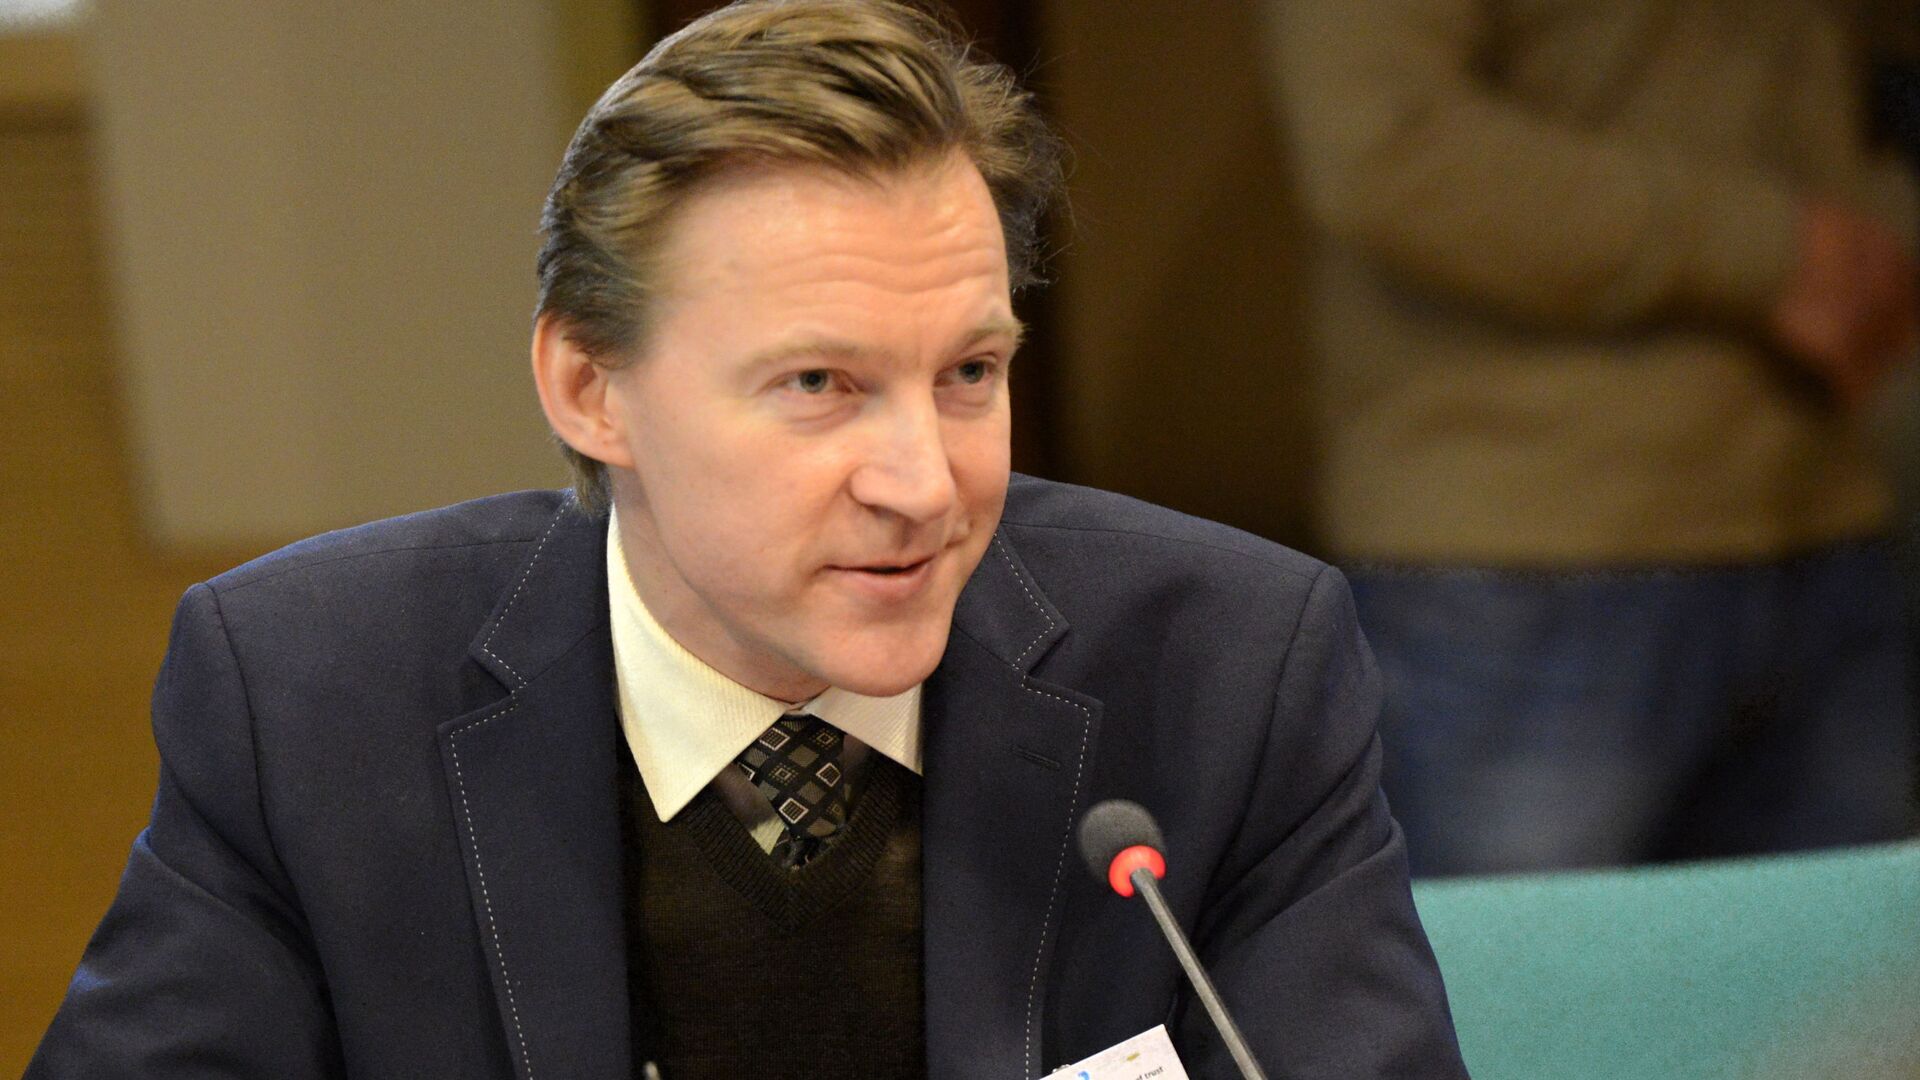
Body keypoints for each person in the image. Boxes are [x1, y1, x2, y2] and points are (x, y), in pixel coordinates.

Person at [29, 2, 1466, 1076]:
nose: (924, 484)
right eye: (819, 384)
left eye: (968, 373)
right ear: (589, 388)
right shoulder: (311, 697)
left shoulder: (1227, 670)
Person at [1270, 0, 1920, 876]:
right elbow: (1386, 146)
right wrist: (1777, 249)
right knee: (1507, 966)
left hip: (1826, 509)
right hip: (1524, 547)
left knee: (1845, 965)